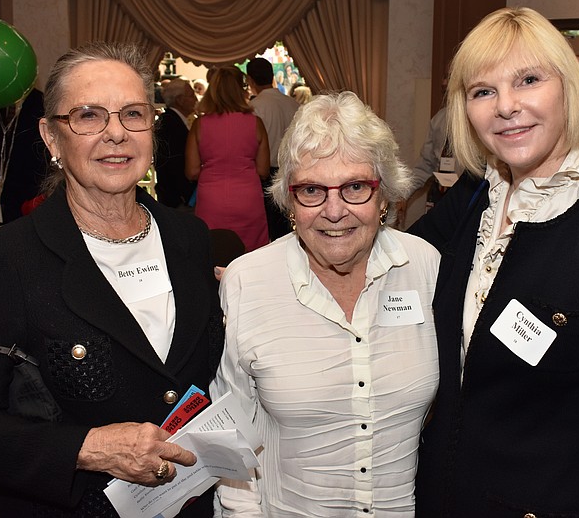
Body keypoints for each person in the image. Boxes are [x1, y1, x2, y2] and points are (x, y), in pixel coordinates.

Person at [408, 7, 579, 517]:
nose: (505, 106)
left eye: (528, 80)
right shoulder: (476, 199)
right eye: (482, 90)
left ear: (568, 90)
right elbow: (393, 259)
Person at [0, 42, 222, 517]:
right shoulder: (10, 258)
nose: (117, 134)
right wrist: (90, 449)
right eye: (89, 116)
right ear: (51, 138)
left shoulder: (190, 237)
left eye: (133, 114)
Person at [210, 91, 440, 517]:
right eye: (312, 190)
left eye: (355, 187)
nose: (334, 211)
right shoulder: (248, 280)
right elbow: (231, 436)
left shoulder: (425, 265)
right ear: (290, 201)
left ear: (384, 196)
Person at [186, 66, 270, 251]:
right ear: (241, 90)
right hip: (248, 197)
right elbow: (263, 170)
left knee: (214, 250)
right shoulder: (255, 123)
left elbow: (191, 172)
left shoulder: (200, 124)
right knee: (251, 253)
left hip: (211, 198)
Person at [245, 57, 300, 240]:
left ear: (250, 80)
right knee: (291, 229)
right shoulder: (293, 104)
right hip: (291, 170)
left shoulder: (253, 108)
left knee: (272, 231)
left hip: (267, 175)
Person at [0, 87, 48, 223]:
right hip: (4, 196)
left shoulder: (40, 103)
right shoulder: (1, 105)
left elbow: (42, 153)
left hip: (31, 195)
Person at [155, 78, 198, 208]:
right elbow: (175, 163)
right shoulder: (171, 123)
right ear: (180, 100)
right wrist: (184, 196)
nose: (196, 99)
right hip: (177, 198)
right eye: (191, 95)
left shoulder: (172, 120)